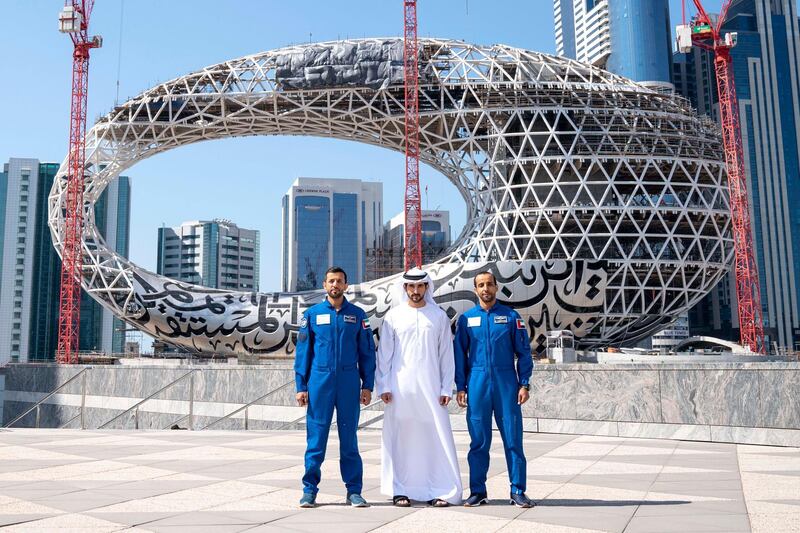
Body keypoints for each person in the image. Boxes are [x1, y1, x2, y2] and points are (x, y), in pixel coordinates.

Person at [376, 268, 462, 507]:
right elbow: (384, 355)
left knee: (436, 438)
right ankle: (399, 490)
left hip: (432, 389)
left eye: (420, 286)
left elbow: (446, 356)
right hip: (399, 390)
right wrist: (383, 384)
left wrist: (447, 388)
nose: (415, 291)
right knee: (401, 440)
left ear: (427, 287)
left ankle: (441, 489)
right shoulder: (393, 317)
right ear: (405, 288)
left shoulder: (438, 317)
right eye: (411, 287)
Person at [294, 266, 376, 508]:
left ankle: (354, 491)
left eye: (339, 281)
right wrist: (301, 385)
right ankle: (309, 490)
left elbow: (367, 353)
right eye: (331, 281)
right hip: (320, 382)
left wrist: (367, 384)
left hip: (349, 382)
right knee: (316, 439)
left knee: (349, 439)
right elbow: (303, 353)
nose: (335, 285)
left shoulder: (359, 315)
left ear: (346, 285)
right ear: (324, 284)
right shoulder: (311, 315)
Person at [453, 271, 535, 508]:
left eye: (489, 284)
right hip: (477, 383)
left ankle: (518, 490)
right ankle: (478, 491)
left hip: (506, 383)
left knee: (513, 439)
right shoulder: (467, 319)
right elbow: (460, 356)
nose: (485, 289)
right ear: (476, 290)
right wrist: (461, 386)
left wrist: (524, 383)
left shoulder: (510, 317)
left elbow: (524, 353)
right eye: (481, 285)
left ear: (496, 287)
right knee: (478, 442)